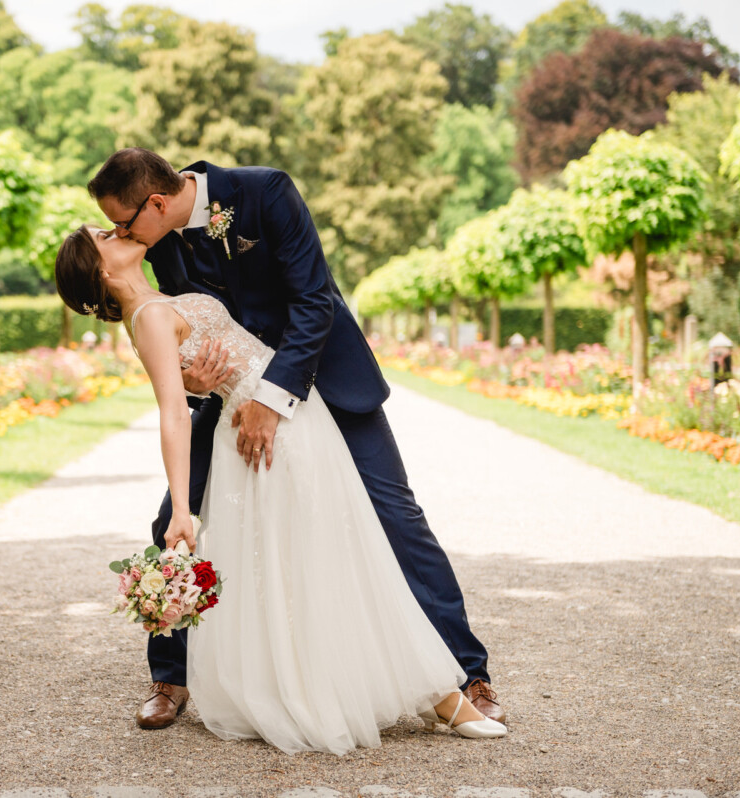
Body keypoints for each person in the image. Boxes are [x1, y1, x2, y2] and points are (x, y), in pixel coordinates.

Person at [83, 149, 505, 732]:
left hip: (325, 378)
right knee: (174, 519)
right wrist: (195, 381)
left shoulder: (265, 193)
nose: (122, 234)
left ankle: (466, 673)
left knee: (396, 518)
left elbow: (313, 299)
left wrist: (272, 398)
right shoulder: (158, 244)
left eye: (124, 223)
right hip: (232, 398)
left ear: (156, 203)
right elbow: (179, 329)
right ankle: (172, 675)